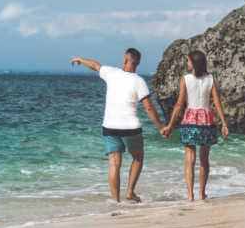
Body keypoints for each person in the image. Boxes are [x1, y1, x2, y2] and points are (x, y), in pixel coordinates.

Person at [71, 48, 168, 203]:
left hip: (110, 127)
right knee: (138, 157)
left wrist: (79, 59)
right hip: (130, 128)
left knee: (114, 165)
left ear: (124, 60)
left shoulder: (112, 73)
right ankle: (130, 192)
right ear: (138, 63)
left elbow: (95, 65)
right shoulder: (139, 81)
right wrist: (161, 127)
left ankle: (116, 202)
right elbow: (149, 107)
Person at [161, 50, 229, 202]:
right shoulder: (211, 78)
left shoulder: (185, 79)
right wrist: (224, 123)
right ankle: (202, 194)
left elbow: (179, 104)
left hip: (190, 118)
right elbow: (217, 102)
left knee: (189, 159)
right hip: (206, 119)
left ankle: (190, 195)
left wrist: (170, 125)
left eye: (188, 60)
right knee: (204, 160)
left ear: (193, 62)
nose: (187, 62)